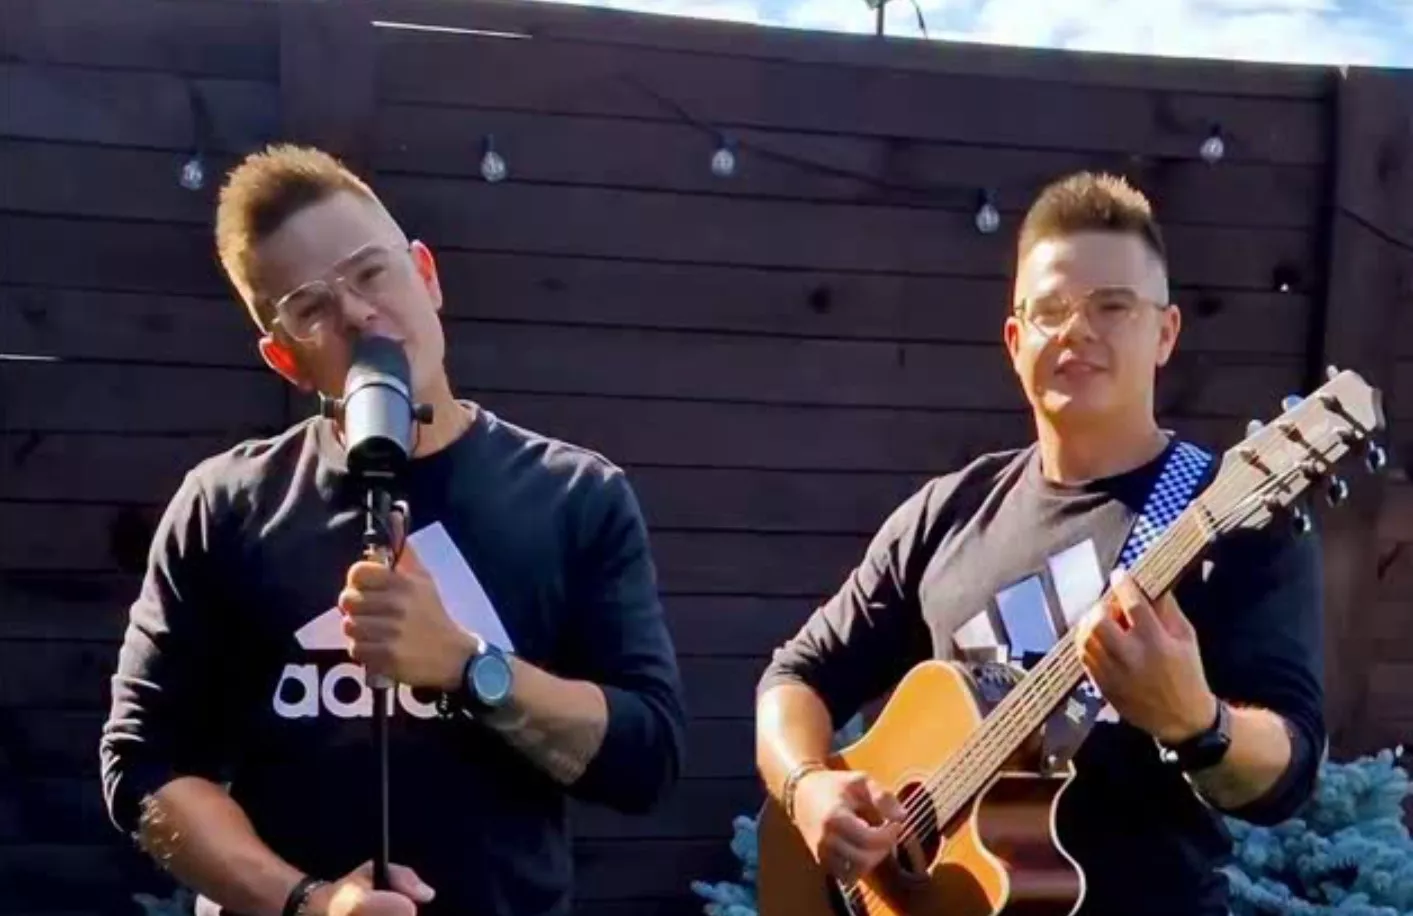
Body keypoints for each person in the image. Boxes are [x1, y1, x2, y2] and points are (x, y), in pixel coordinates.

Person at [98, 144, 687, 916]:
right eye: (310, 307)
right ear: (283, 358)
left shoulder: (574, 496)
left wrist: (469, 667)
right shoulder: (226, 505)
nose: (356, 313)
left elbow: (646, 758)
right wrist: (309, 903)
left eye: (371, 273)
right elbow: (142, 765)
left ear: (426, 275)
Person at [754, 172, 1326, 916]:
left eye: (1112, 306)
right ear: (1015, 340)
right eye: (1050, 310)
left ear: (1165, 333)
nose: (1076, 330)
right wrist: (807, 789)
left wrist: (1197, 722)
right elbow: (795, 675)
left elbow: (1290, 768)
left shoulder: (1232, 518)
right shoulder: (947, 513)